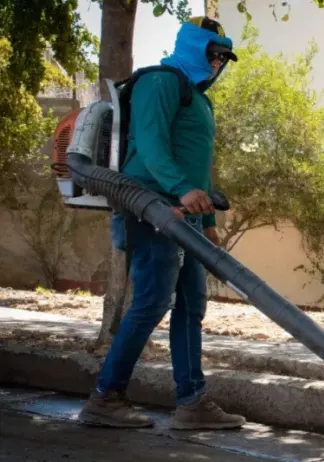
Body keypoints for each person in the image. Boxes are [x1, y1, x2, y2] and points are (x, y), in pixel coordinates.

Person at [78, 17, 246, 430]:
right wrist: (179, 188)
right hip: (150, 209)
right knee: (152, 302)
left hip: (185, 219)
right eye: (213, 54)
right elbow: (152, 145)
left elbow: (197, 165)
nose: (217, 64)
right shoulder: (160, 81)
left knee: (191, 306)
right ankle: (105, 397)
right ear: (194, 46)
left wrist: (206, 219)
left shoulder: (198, 98)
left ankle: (192, 403)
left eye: (223, 58)